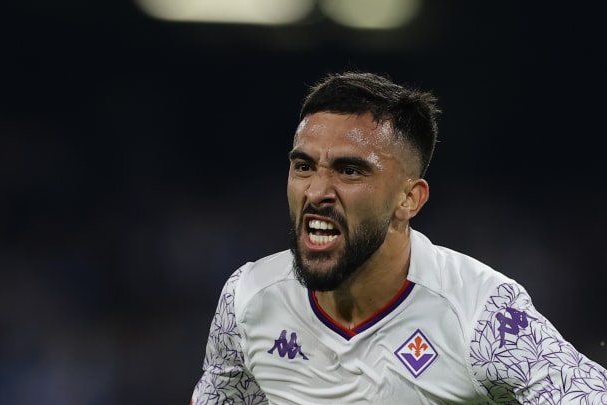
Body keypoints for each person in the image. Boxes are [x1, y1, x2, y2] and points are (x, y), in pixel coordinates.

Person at [190, 71, 607, 404]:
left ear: (409, 199)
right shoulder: (247, 300)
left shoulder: (481, 312)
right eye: (303, 167)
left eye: (349, 170)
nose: (316, 191)